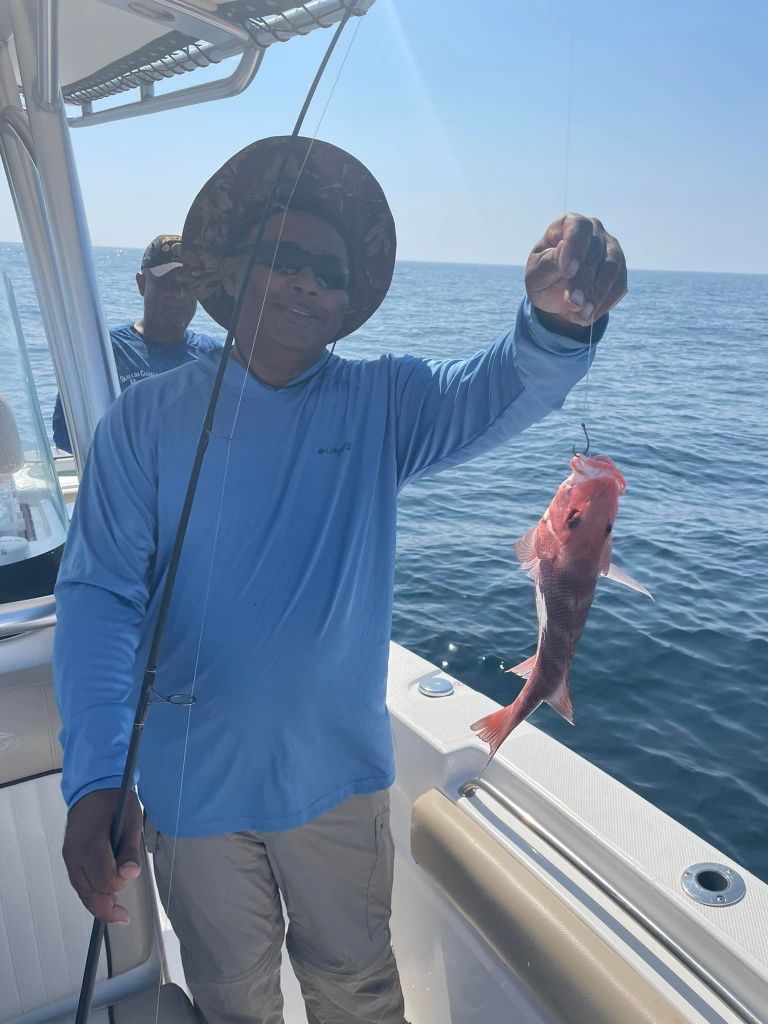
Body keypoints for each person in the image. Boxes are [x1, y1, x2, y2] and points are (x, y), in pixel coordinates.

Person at [54, 136, 628, 1024]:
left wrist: (559, 320)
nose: (307, 280)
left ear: (348, 297)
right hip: (187, 788)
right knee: (230, 998)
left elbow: (502, 386)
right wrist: (96, 777)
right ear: (235, 269)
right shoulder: (144, 422)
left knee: (357, 991)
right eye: (283, 256)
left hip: (338, 784)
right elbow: (99, 600)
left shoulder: (383, 403)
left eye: (328, 267)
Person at [52, 234, 221, 452]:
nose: (178, 294)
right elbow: (68, 435)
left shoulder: (215, 357)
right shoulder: (103, 352)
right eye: (166, 284)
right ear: (141, 284)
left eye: (188, 285)